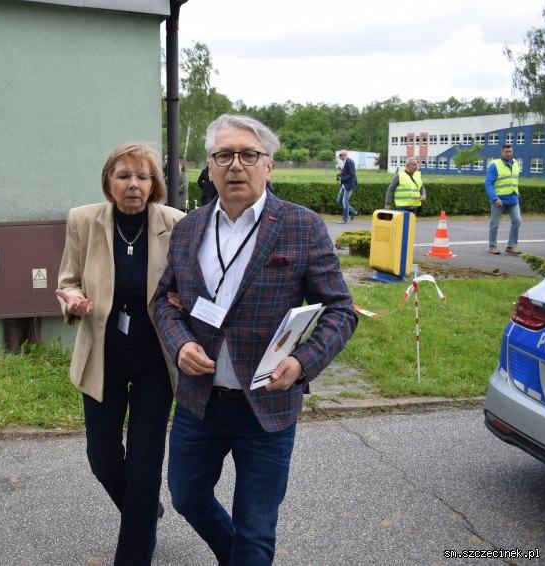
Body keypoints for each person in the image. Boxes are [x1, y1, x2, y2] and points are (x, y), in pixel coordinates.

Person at [154, 114, 357, 565]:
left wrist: (303, 363)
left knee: (256, 527)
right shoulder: (188, 228)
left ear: (269, 165)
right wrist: (180, 344)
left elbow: (340, 310)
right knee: (186, 496)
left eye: (248, 155)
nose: (235, 165)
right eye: (223, 155)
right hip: (200, 401)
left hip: (267, 404)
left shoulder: (302, 225)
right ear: (209, 167)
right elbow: (164, 302)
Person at [56, 143, 184, 566]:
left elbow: (192, 284)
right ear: (108, 182)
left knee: (145, 466)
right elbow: (68, 280)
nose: (133, 184)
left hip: (154, 362)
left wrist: (185, 301)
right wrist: (72, 300)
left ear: (154, 184)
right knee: (103, 460)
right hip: (103, 355)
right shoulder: (83, 220)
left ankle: (134, 549)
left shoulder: (176, 224)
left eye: (142, 177)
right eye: (124, 175)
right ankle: (144, 512)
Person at [486, 143, 521, 255]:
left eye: (510, 151)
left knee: (517, 220)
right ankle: (492, 246)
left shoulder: (516, 163)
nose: (508, 153)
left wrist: (517, 196)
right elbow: (488, 184)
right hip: (498, 200)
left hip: (513, 198)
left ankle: (511, 246)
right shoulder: (494, 165)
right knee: (495, 224)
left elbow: (514, 181)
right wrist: (495, 198)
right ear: (502, 152)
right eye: (506, 151)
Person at [336, 149, 358, 223]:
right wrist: (339, 175)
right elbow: (344, 172)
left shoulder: (350, 162)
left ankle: (344, 220)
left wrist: (341, 179)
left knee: (345, 202)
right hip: (344, 184)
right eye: (339, 155)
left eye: (341, 155)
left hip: (349, 185)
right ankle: (353, 212)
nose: (339, 156)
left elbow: (351, 174)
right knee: (339, 201)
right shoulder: (343, 162)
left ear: (345, 155)